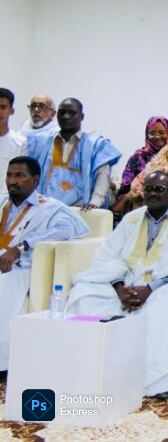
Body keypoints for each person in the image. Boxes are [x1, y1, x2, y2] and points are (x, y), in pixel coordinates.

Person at [65, 171, 168, 398]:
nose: (153, 194)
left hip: (164, 286)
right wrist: (120, 288)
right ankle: (91, 369)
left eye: (159, 189)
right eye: (148, 189)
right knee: (83, 295)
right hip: (126, 283)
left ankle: (158, 381)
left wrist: (149, 289)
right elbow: (108, 256)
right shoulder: (131, 219)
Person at [0, 156, 89, 371]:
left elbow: (67, 230)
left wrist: (22, 247)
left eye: (19, 175)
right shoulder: (2, 202)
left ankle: (4, 365)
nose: (12, 181)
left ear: (35, 180)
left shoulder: (49, 208)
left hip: (21, 266)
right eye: (9, 175)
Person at [26, 98, 121, 210]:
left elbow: (102, 175)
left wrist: (95, 203)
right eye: (62, 113)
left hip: (81, 211)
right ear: (56, 115)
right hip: (45, 209)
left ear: (82, 116)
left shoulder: (96, 144)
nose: (66, 116)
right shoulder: (41, 141)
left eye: (72, 113)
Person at [110, 116, 168, 221]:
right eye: (152, 133)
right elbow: (125, 187)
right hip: (138, 209)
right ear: (147, 135)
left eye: (162, 132)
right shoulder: (138, 157)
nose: (157, 136)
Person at [0, 89, 27, 197]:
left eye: (3, 107)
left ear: (11, 111)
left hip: (7, 200)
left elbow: (21, 177)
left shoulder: (20, 142)